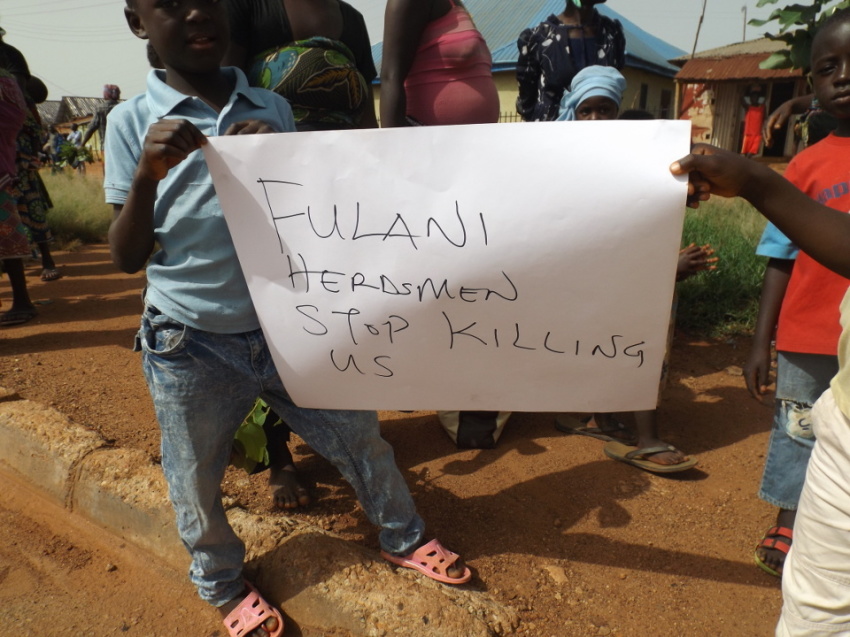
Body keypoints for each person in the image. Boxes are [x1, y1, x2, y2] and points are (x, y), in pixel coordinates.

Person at [108, 1, 470, 634]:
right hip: (189, 339)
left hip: (288, 323)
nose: (197, 12)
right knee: (194, 471)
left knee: (359, 436)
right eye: (170, 3)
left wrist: (283, 159)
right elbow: (125, 256)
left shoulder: (269, 106)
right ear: (139, 22)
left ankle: (402, 536)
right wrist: (146, 175)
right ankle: (219, 583)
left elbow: (310, 218)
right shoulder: (130, 122)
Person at [671, 10, 850, 632]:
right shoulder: (802, 169)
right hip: (807, 338)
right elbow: (779, 260)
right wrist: (760, 342)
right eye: (829, 68)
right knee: (799, 432)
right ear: (811, 80)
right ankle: (787, 521)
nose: (844, 79)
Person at [552, 66, 705, 472]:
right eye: (587, 111)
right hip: (597, 273)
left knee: (636, 344)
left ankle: (599, 418)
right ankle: (644, 438)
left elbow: (645, 219)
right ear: (574, 111)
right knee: (618, 345)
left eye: (605, 110)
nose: (596, 120)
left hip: (630, 271)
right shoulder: (557, 161)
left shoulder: (639, 158)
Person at [381, 0, 505, 448]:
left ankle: (475, 403)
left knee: (476, 284)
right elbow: (392, 78)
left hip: (471, 167)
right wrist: (399, 171)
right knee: (444, 287)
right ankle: (455, 401)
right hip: (435, 169)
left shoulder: (456, 3)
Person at [225, 0, 377, 131]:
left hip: (347, 155)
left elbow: (367, 118)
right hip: (270, 153)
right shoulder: (247, 6)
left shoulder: (354, 20)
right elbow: (224, 90)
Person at [0, 27, 62, 282]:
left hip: (16, 140)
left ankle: (46, 259)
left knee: (27, 201)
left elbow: (19, 95)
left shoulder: (9, 55)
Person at [380, 0, 499, 128]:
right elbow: (390, 78)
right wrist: (395, 143)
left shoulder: (455, 3)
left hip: (476, 141)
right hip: (430, 142)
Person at [516, 0, 625, 122]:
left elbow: (615, 88)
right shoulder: (538, 38)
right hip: (551, 134)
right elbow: (526, 102)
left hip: (600, 134)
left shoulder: (611, 34)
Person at [0, 67, 36, 327]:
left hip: (6, 170)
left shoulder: (5, 80)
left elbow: (15, 119)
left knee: (8, 232)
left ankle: (22, 300)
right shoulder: (8, 77)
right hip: (9, 167)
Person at [80, 84, 121, 152]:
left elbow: (92, 128)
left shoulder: (99, 108)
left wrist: (82, 144)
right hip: (122, 146)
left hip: (107, 146)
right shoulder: (122, 107)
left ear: (106, 94)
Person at [741, 84, 766, 157]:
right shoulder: (748, 107)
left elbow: (765, 117)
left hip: (757, 134)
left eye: (756, 97)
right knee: (745, 153)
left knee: (752, 152)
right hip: (748, 134)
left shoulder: (762, 108)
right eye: (753, 97)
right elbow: (741, 98)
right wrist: (746, 87)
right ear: (750, 99)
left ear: (758, 98)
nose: (754, 99)